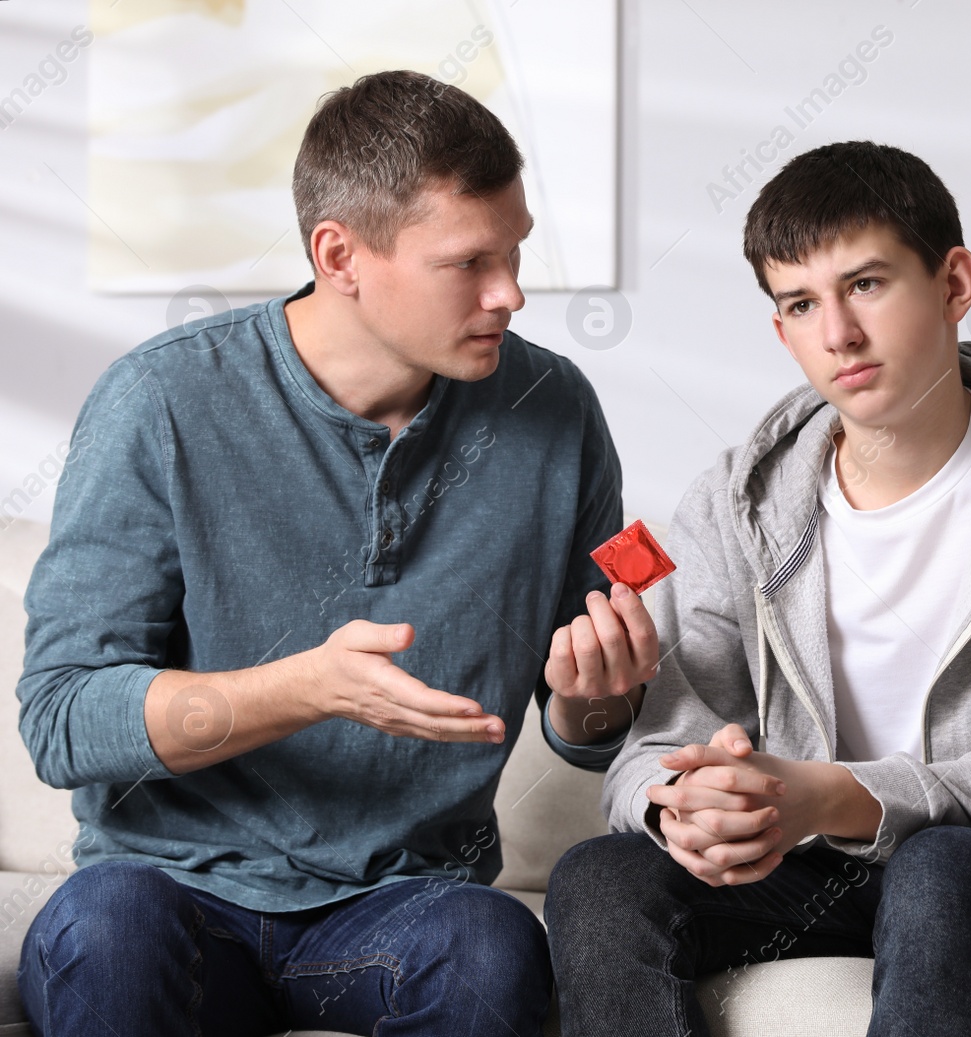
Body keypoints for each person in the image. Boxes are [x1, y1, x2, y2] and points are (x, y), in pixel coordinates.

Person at [15, 70, 656, 1036]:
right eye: (468, 262)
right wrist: (306, 688)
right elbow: (62, 719)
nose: (511, 292)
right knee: (108, 927)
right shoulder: (160, 403)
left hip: (407, 901)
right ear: (340, 255)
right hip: (169, 889)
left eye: (516, 251)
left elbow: (587, 719)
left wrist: (593, 696)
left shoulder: (553, 411)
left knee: (490, 944)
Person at [542, 140, 971, 1037]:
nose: (838, 333)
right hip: (823, 863)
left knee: (939, 863)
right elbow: (666, 740)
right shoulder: (736, 501)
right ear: (781, 330)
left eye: (868, 285)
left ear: (956, 284)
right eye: (802, 304)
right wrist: (678, 802)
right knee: (600, 874)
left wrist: (835, 792)